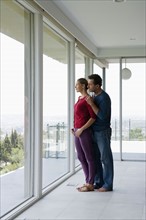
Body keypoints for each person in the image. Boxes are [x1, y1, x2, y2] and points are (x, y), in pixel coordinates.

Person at [86, 74, 114, 192]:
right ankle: (99, 182)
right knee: (96, 158)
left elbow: (102, 116)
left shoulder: (104, 97)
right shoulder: (94, 96)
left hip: (102, 132)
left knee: (106, 159)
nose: (88, 86)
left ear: (97, 86)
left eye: (90, 84)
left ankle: (108, 185)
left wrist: (92, 104)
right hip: (94, 131)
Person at [71, 78, 96, 192]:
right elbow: (78, 116)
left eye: (77, 85)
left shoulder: (87, 99)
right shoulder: (79, 99)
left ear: (82, 85)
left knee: (89, 157)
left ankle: (90, 183)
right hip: (77, 130)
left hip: (84, 131)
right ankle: (87, 181)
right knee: (80, 157)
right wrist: (74, 128)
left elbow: (93, 117)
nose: (75, 87)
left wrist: (81, 129)